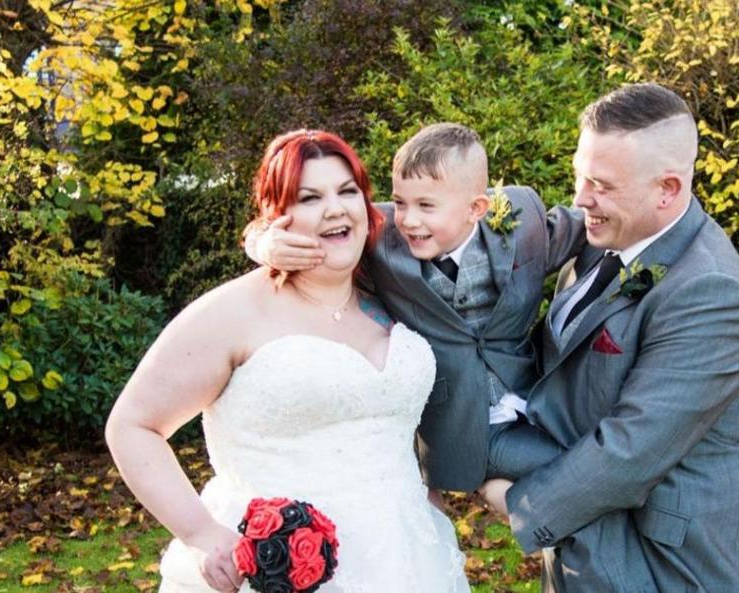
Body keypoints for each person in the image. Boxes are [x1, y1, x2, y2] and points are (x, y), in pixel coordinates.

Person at [105, 129, 470, 593]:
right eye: (309, 197)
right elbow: (132, 425)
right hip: (277, 568)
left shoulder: (396, 283)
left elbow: (482, 201)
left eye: (347, 191)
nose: (335, 208)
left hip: (409, 558)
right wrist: (200, 534)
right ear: (276, 215)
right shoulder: (234, 313)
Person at [481, 83, 739, 592]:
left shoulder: (711, 293)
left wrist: (517, 502)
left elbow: (630, 451)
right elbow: (461, 235)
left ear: (668, 190)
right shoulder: (602, 234)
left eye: (601, 185)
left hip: (662, 569)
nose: (579, 199)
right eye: (579, 175)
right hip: (582, 552)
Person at [246, 123, 586, 494]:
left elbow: (597, 224)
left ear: (476, 208)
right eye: (400, 202)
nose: (408, 219)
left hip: (538, 398)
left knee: (604, 464)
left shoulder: (521, 222)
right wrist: (261, 243)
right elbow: (295, 223)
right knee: (581, 469)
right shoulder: (381, 238)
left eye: (425, 205)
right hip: (462, 428)